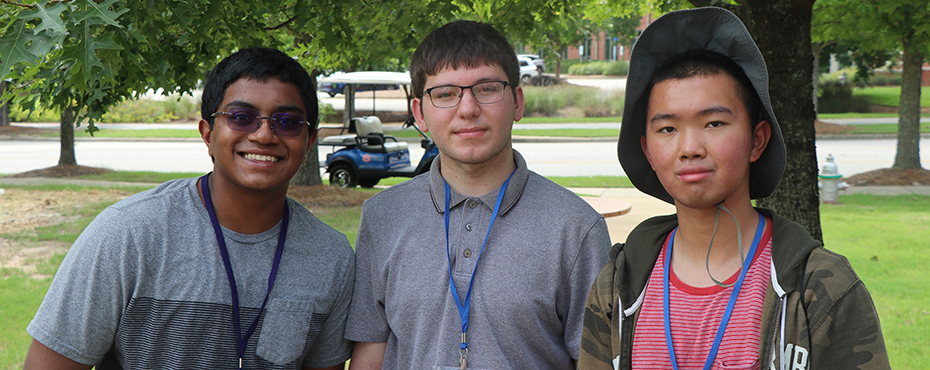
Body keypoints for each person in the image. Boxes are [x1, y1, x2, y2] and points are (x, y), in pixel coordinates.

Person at [579, 7, 889, 370]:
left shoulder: (820, 288)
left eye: (713, 123)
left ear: (757, 140)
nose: (690, 147)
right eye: (667, 129)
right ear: (647, 149)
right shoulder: (617, 286)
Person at [24, 47, 355, 370]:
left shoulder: (331, 258)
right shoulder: (129, 234)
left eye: (287, 121)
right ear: (208, 134)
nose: (264, 134)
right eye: (241, 117)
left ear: (309, 141)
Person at [345, 20, 611, 369]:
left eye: (486, 88)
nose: (468, 109)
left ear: (517, 102)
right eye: (445, 94)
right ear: (419, 114)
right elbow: (371, 351)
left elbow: (595, 361)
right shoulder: (382, 217)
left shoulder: (577, 228)